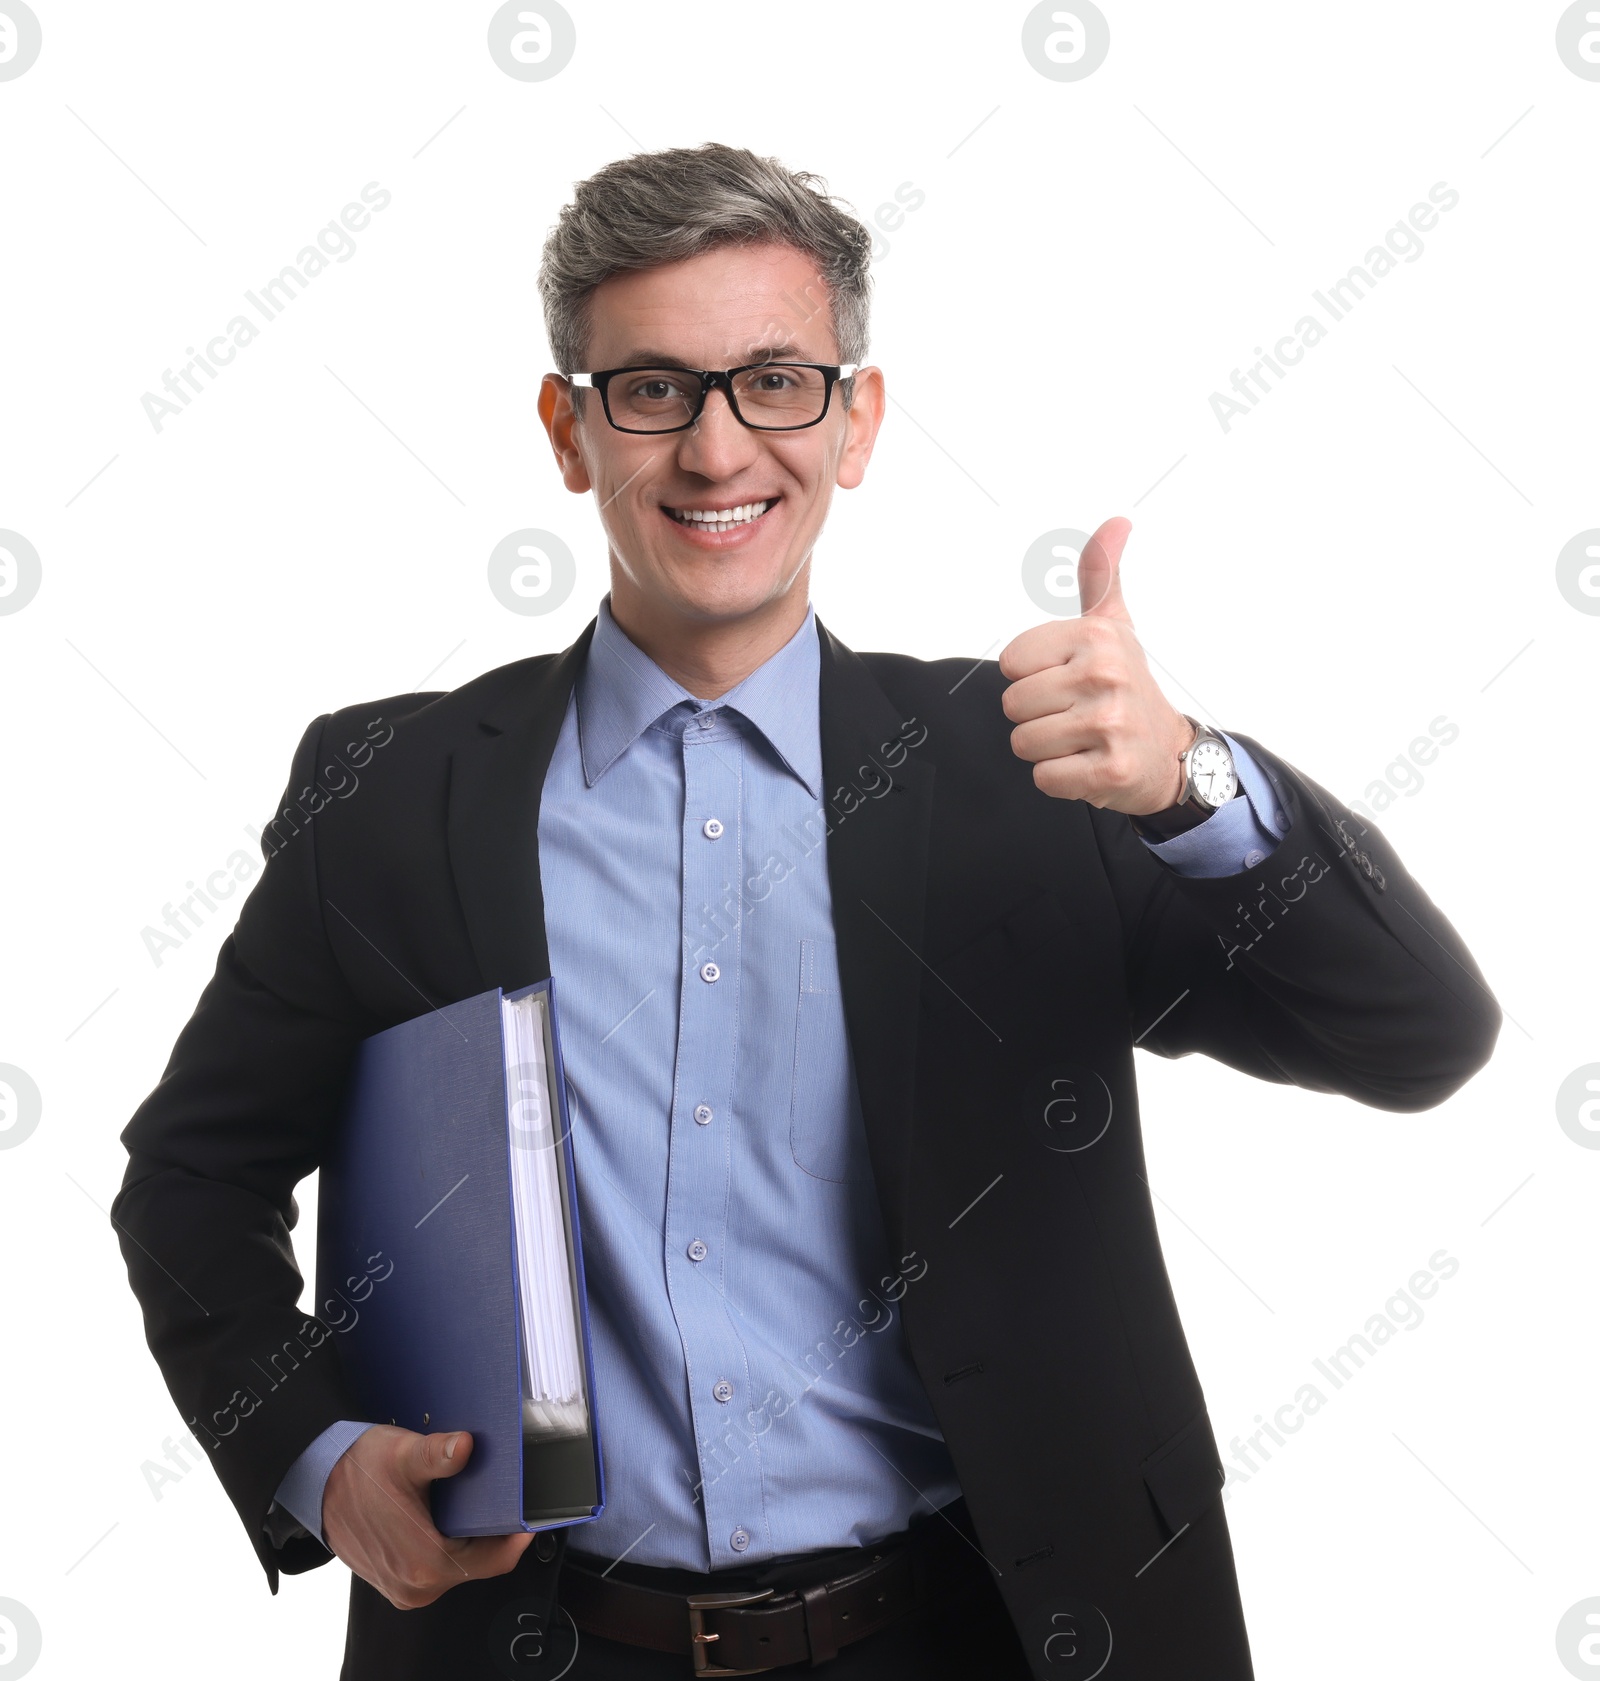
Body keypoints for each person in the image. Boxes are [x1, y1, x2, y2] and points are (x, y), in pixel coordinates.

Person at [114, 142, 1501, 1680]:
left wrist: (1193, 780)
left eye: (776, 380)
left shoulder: (1040, 769)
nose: (718, 451)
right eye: (652, 389)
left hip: (992, 1635)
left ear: (858, 420)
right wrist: (320, 1459)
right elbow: (191, 1181)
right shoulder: (392, 790)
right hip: (538, 1641)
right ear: (570, 432)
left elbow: (1418, 1035)